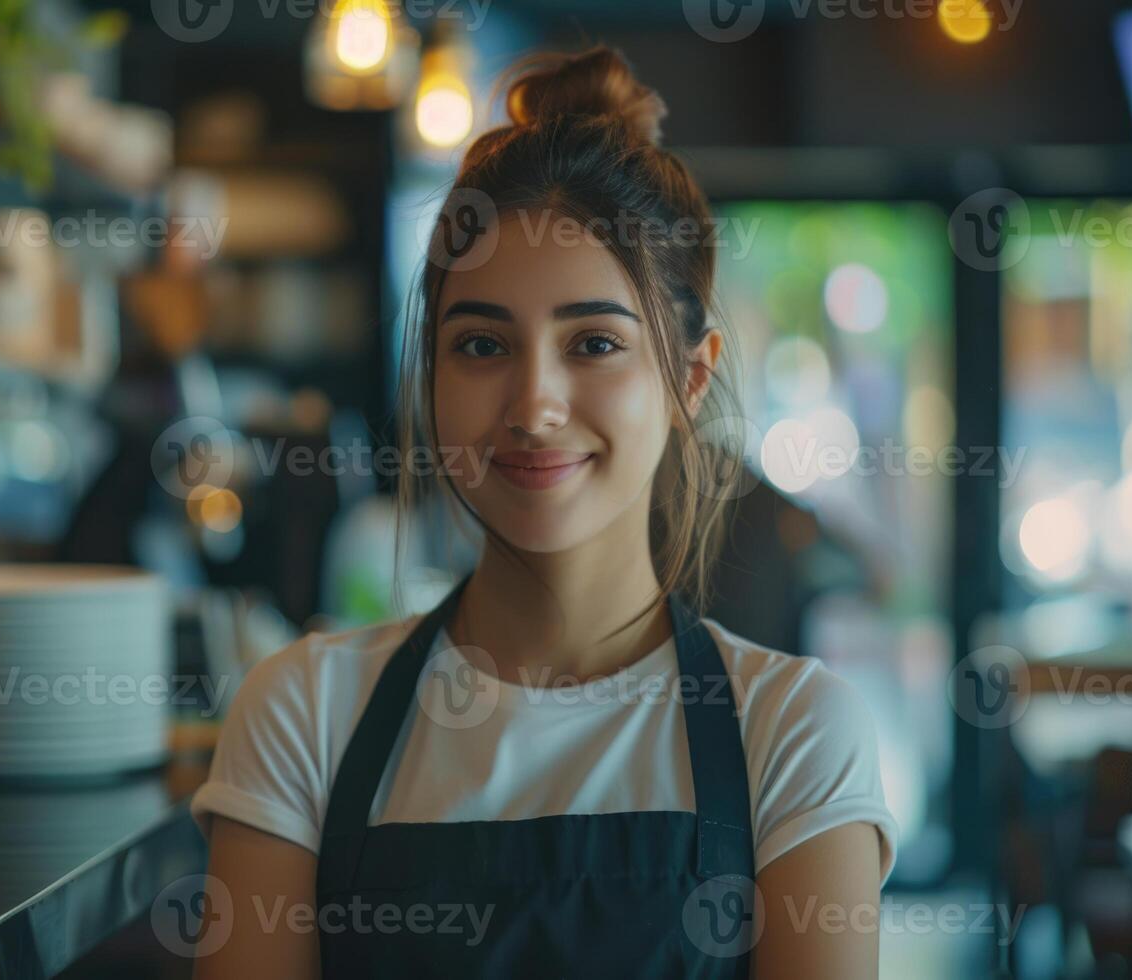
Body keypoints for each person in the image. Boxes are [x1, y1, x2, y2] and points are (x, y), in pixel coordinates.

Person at [189, 43, 897, 979]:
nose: (533, 407)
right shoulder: (304, 713)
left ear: (690, 377)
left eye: (594, 342)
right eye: (481, 343)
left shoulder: (795, 734)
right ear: (430, 376)